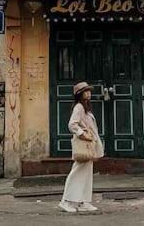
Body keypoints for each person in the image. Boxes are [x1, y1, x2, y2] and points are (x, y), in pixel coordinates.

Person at [59, 81, 104, 213]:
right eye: (86, 91)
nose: (89, 93)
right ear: (80, 94)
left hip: (89, 144)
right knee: (77, 172)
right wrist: (83, 134)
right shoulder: (79, 107)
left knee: (87, 173)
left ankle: (84, 201)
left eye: (89, 91)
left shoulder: (85, 107)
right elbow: (72, 124)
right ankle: (66, 201)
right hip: (83, 144)